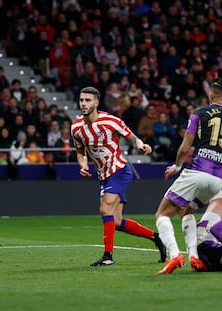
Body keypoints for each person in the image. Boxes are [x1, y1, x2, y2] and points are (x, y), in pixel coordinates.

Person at [155, 78, 222, 274]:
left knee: (162, 214)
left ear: (211, 95)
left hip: (197, 171)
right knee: (188, 210)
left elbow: (185, 146)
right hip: (218, 179)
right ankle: (194, 256)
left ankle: (174, 255)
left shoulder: (199, 112)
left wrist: (177, 166)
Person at [71, 86, 166, 266]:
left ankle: (108, 257)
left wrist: (141, 145)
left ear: (96, 103)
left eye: (87, 100)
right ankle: (155, 237)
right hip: (103, 176)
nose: (83, 103)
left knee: (105, 209)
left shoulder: (110, 121)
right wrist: (83, 165)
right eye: (82, 100)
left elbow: (131, 137)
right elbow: (80, 151)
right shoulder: (76, 128)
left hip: (120, 171)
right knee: (115, 221)